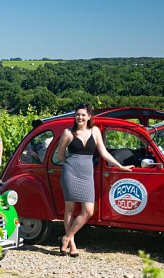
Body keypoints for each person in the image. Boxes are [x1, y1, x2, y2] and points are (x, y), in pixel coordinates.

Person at [56, 104, 134, 257]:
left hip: (87, 175)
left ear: (89, 116)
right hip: (70, 172)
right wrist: (72, 163)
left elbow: (104, 153)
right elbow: (60, 156)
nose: (80, 117)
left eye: (83, 115)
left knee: (88, 211)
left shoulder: (95, 131)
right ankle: (72, 245)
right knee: (70, 210)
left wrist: (120, 167)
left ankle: (66, 237)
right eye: (78, 114)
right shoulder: (68, 133)